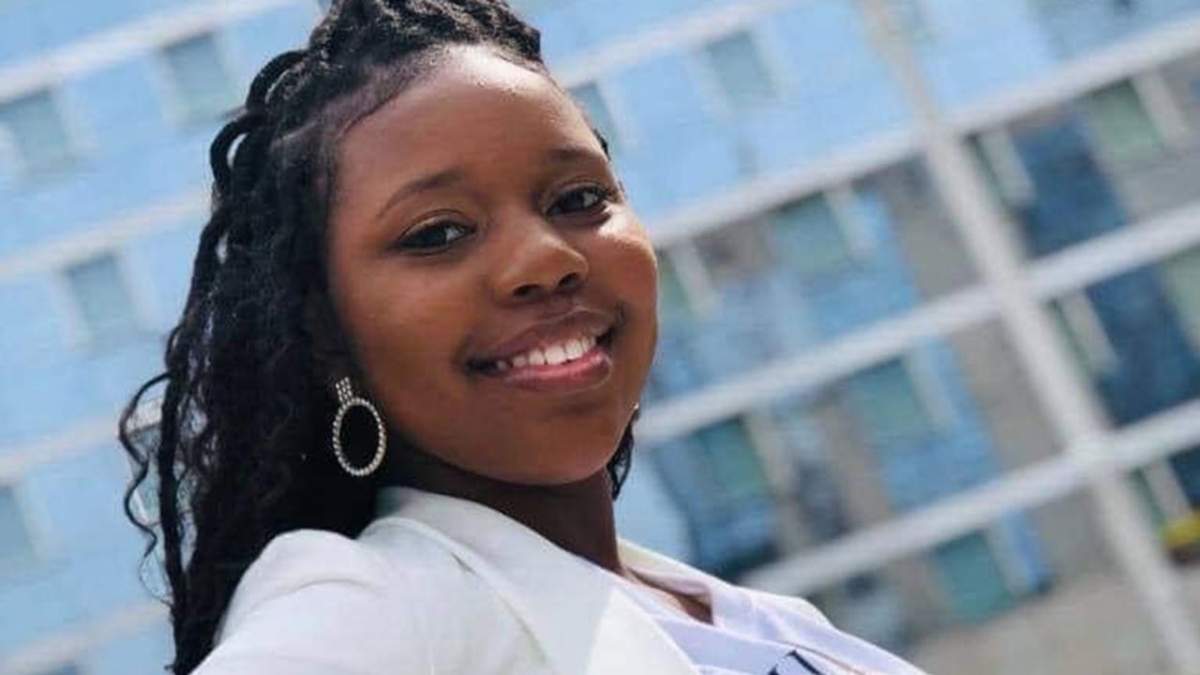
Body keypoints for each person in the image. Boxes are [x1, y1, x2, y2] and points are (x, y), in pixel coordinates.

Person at [119, 1, 929, 673]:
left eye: (577, 198)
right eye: (438, 233)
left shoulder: (763, 619)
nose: (547, 258)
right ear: (326, 332)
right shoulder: (385, 604)